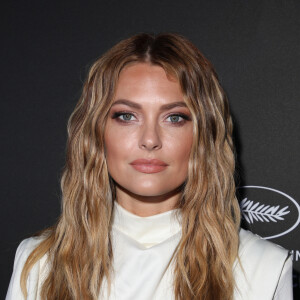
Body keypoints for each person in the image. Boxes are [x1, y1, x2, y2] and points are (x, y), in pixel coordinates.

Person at [6, 33, 292, 300]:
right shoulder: (39, 263)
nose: (150, 140)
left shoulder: (263, 267)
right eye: (127, 116)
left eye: (175, 118)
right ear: (96, 131)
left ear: (203, 135)